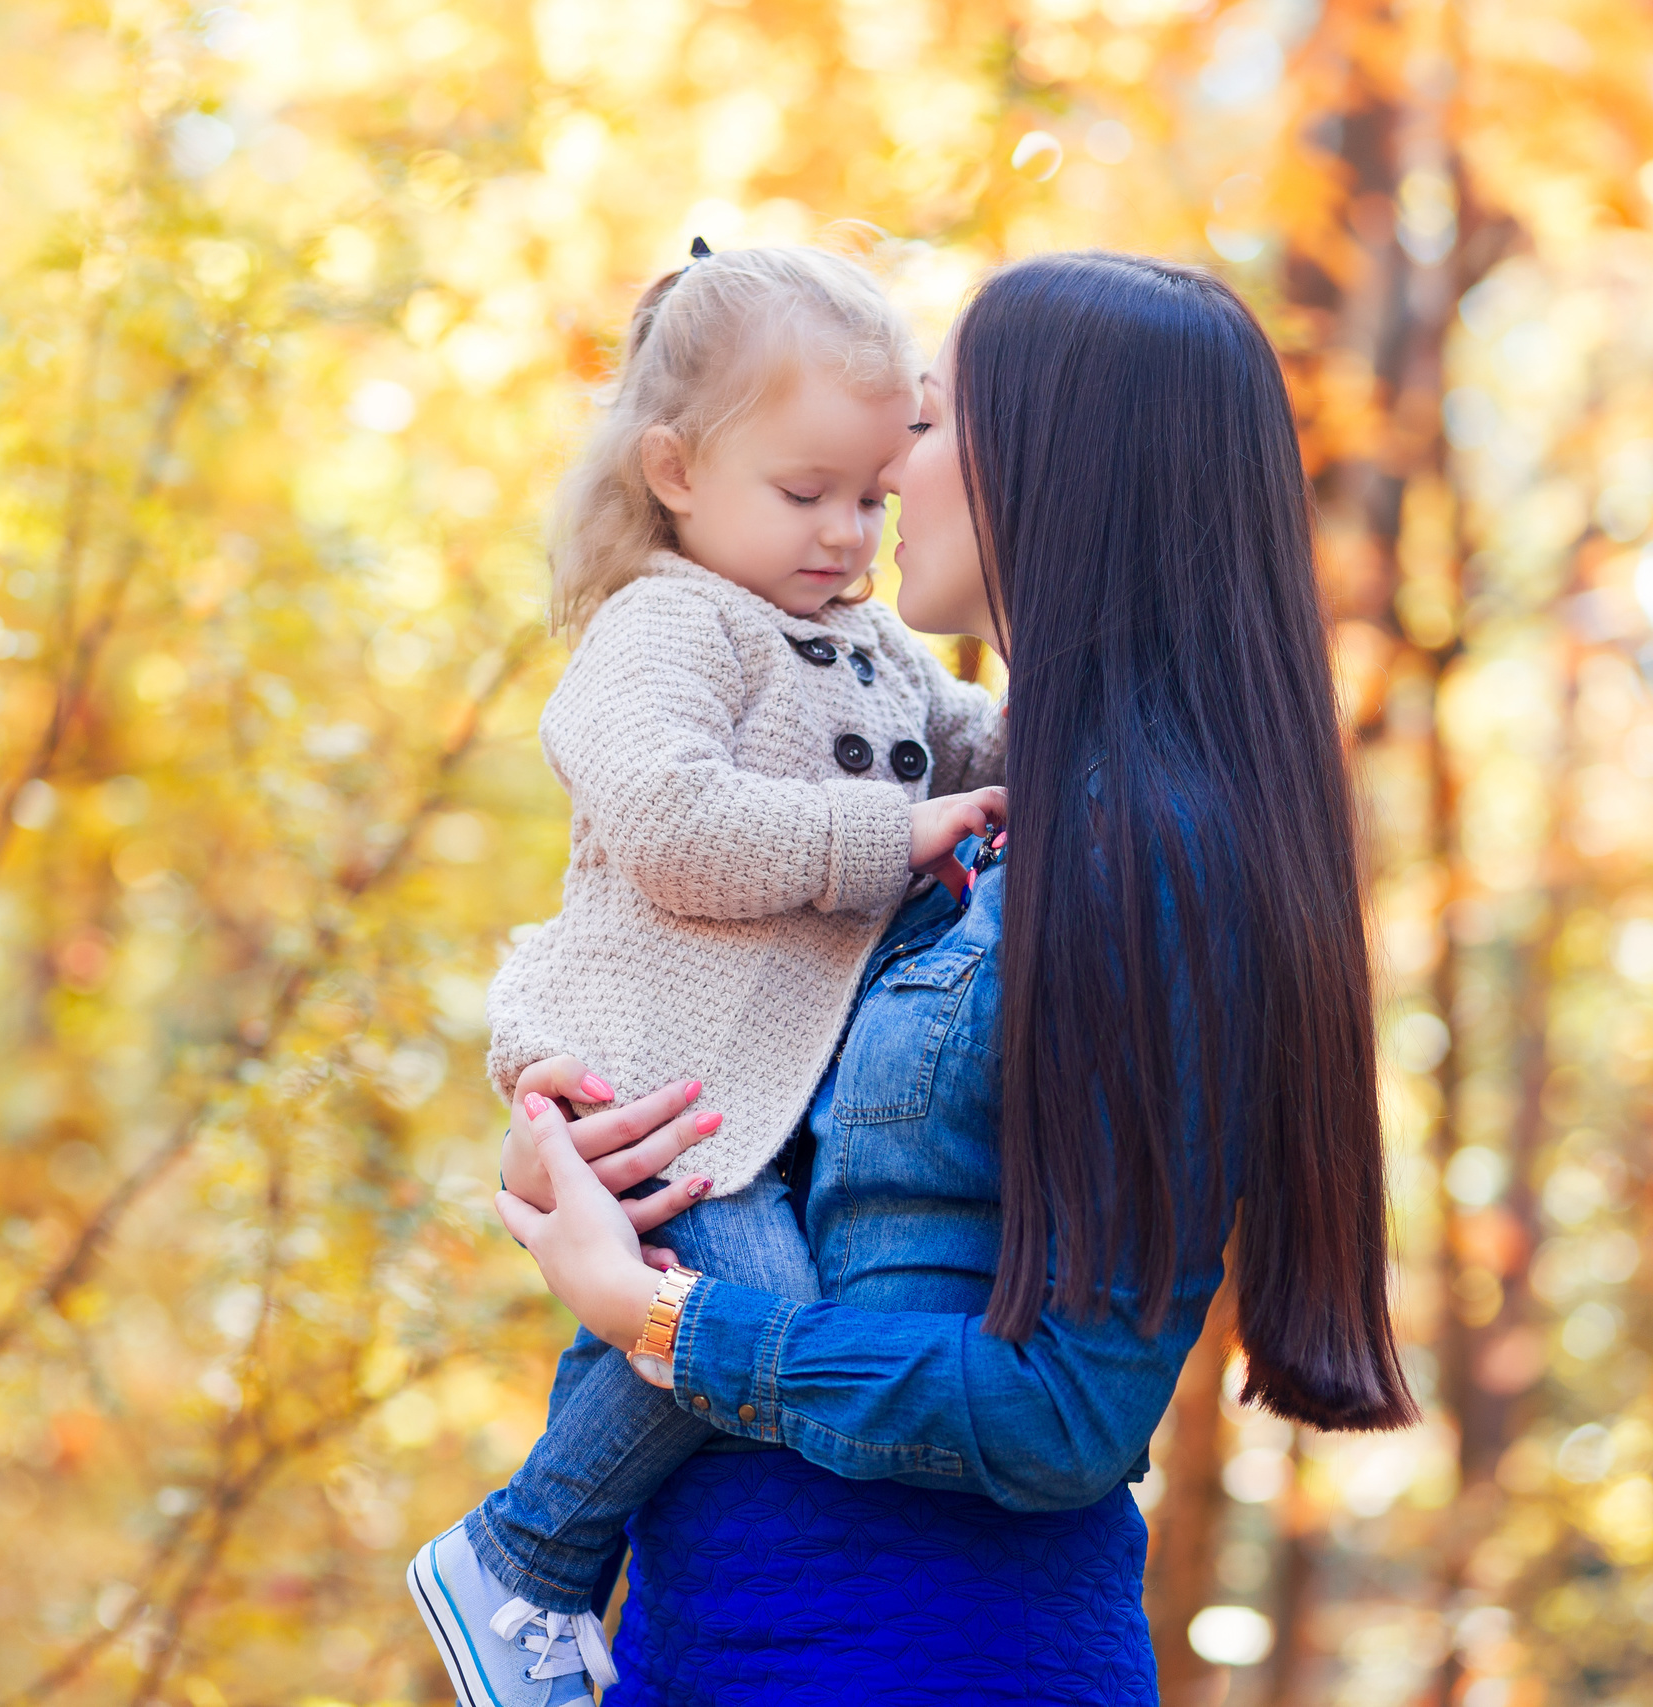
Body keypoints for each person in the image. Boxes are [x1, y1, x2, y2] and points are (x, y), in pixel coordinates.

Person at [492, 251, 1418, 1703]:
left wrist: (661, 1321)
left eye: (921, 430)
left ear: (1059, 469)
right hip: (707, 1633)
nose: (882, 482)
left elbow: (1063, 1412)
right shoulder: (971, 824)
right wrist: (591, 1129)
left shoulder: (1144, 856)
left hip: (929, 1648)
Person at [407, 240, 1009, 1706]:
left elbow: (972, 744)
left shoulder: (859, 640)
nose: (849, 539)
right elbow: (674, 829)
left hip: (747, 1091)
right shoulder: (664, 626)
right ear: (676, 469)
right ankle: (524, 1554)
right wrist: (896, 832)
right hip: (655, 1075)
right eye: (804, 496)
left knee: (747, 1326)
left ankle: (539, 1557)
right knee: (759, 1323)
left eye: (872, 496)